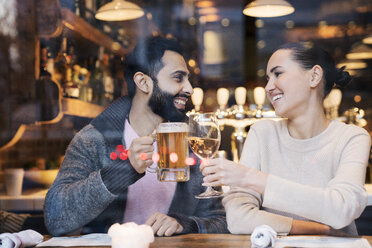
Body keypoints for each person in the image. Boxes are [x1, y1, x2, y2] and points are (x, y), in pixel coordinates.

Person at [44, 36, 227, 236]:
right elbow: (55, 218)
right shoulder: (94, 139)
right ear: (143, 82)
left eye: (188, 79)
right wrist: (122, 170)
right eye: (178, 78)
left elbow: (221, 221)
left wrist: (186, 224)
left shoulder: (195, 143)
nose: (190, 89)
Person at [200, 43, 371, 236]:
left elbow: (341, 209)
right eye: (267, 78)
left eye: (278, 74)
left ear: (314, 76)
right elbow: (238, 219)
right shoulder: (262, 133)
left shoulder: (351, 137)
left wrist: (250, 177)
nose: (268, 87)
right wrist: (317, 228)